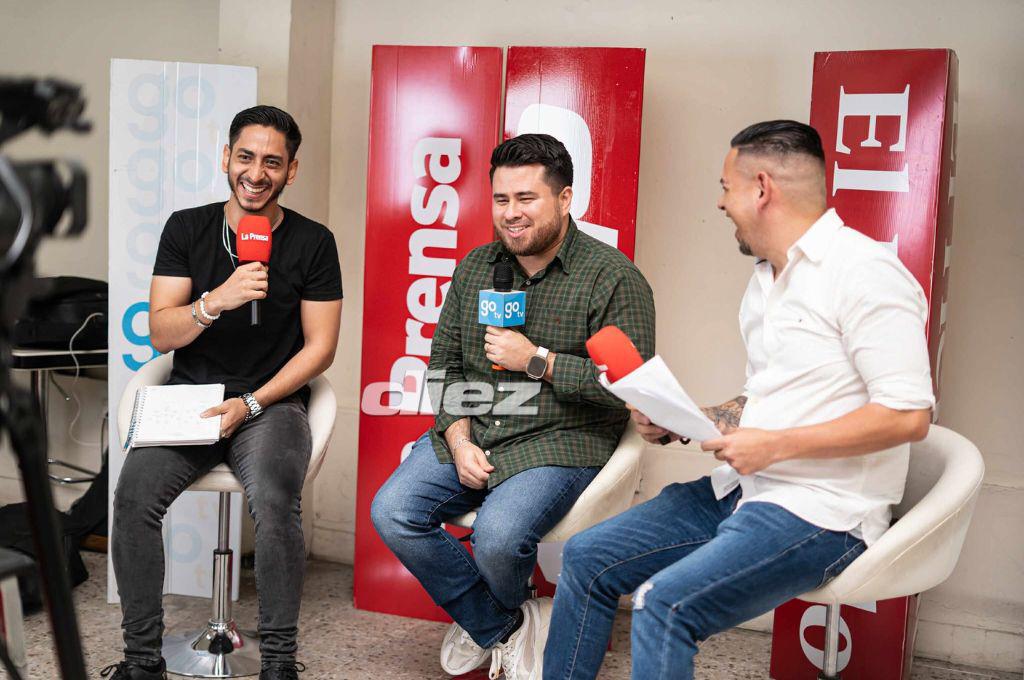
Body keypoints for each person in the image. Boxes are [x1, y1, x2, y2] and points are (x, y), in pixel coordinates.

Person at [543, 120, 935, 679]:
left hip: (821, 512)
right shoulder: (766, 281)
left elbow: (908, 415)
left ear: (761, 187)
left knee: (664, 604)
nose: (720, 202)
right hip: (742, 489)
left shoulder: (865, 273)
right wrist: (686, 419)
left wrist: (774, 447)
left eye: (726, 187)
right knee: (586, 556)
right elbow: (764, 399)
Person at [370, 133, 656, 680]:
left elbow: (632, 388)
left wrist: (539, 361)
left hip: (560, 437)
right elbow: (444, 364)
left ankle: (484, 619)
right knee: (393, 511)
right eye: (501, 200)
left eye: (527, 199)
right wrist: (457, 437)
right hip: (477, 427)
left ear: (566, 199)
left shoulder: (613, 277)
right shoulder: (477, 267)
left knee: (499, 538)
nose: (511, 214)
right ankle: (502, 625)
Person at [103, 106, 343, 680]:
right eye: (245, 157)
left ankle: (279, 664)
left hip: (271, 404)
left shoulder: (313, 242)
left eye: (272, 162)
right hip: (190, 398)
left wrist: (253, 403)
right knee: (133, 501)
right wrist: (217, 301)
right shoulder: (187, 228)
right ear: (226, 159)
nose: (256, 173)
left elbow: (320, 349)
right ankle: (142, 663)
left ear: (291, 170)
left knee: (278, 505)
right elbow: (162, 330)